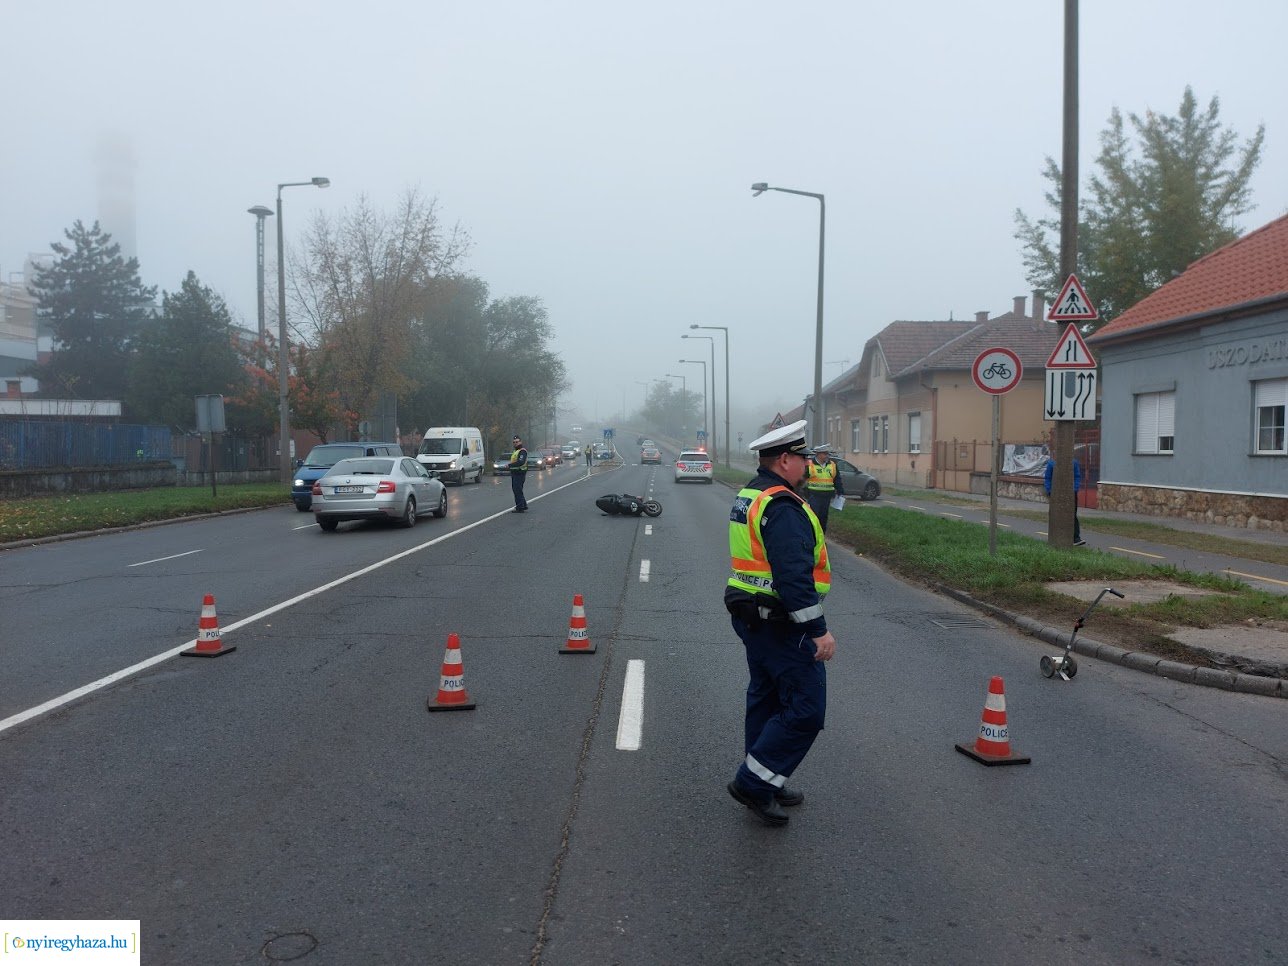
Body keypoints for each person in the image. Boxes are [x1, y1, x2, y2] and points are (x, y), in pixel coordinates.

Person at [724, 419, 835, 828]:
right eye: (802, 458)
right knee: (806, 709)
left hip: (753, 616)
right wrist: (818, 631)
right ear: (785, 459)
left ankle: (767, 777)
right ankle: (754, 782)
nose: (807, 465)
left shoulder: (752, 493)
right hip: (781, 622)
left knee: (767, 700)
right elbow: (794, 578)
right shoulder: (783, 506)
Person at [1044, 455, 1084, 545]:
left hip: (1071, 493)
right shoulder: (1052, 463)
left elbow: (1077, 477)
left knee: (1072, 514)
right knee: (1056, 514)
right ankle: (1056, 536)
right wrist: (1049, 491)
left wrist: (1074, 489)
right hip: (1056, 493)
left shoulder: (1073, 463)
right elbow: (1048, 478)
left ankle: (1076, 538)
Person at [803, 443, 844, 533]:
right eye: (825, 453)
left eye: (827, 453)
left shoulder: (832, 465)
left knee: (823, 518)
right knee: (814, 517)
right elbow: (802, 479)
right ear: (818, 454)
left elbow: (837, 479)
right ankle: (813, 536)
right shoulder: (810, 464)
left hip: (827, 496)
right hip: (814, 496)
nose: (827, 456)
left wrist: (840, 491)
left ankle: (821, 536)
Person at [508, 435, 529, 512]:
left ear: (520, 442)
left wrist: (509, 465)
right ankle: (523, 505)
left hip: (519, 473)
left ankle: (520, 507)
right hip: (515, 473)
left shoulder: (522, 451)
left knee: (517, 490)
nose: (515, 443)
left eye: (517, 442)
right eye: (514, 442)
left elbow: (521, 462)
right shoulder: (516, 451)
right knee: (518, 490)